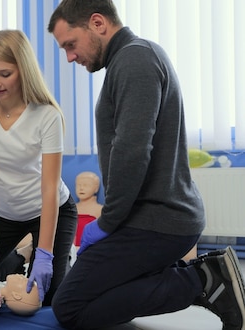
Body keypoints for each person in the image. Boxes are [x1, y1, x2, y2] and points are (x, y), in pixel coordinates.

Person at [47, 1, 245, 329]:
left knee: (69, 306)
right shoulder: (131, 60)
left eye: (71, 44)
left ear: (97, 23)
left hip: (158, 222)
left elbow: (133, 152)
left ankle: (202, 281)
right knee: (75, 290)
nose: (70, 57)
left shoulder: (135, 59)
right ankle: (196, 276)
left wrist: (107, 224)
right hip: (148, 219)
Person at [0, 29, 78, 307]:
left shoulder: (47, 115)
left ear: (23, 70)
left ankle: (50, 254)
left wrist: (45, 254)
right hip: (3, 214)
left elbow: (49, 187)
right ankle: (20, 255)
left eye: (5, 74)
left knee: (48, 300)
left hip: (50, 209)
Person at [73, 171, 102, 246]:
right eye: (78, 185)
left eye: (86, 185)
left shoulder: (100, 210)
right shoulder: (71, 209)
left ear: (96, 188)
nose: (81, 188)